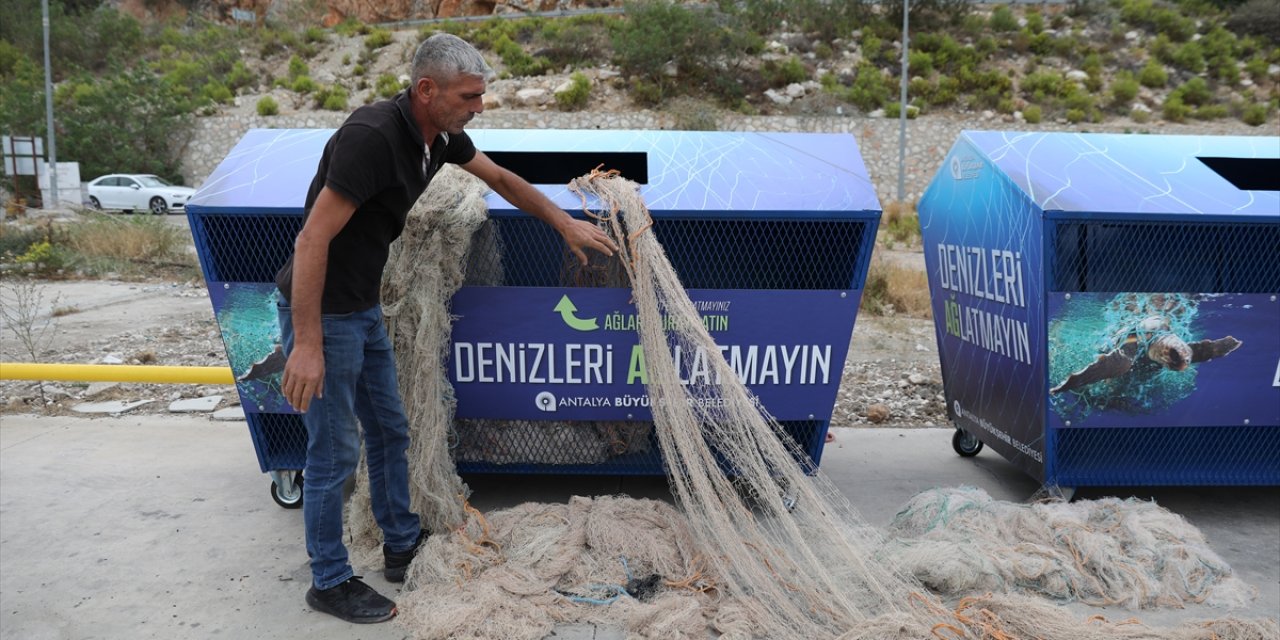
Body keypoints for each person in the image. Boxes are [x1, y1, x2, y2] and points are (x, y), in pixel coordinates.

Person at [273, 32, 617, 624]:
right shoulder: (372, 138)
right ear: (426, 89)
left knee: (390, 430)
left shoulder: (440, 135)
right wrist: (306, 344)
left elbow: (502, 179)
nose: (478, 106)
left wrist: (563, 222)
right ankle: (328, 580)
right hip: (323, 315)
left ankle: (402, 545)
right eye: (469, 95)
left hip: (362, 308)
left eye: (480, 95)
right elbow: (312, 239)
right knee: (334, 453)